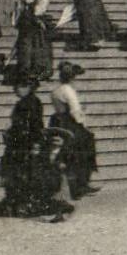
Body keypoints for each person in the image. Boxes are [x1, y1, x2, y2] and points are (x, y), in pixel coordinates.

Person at [48, 61, 97, 199]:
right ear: (73, 77)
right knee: (87, 145)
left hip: (58, 122)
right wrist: (83, 124)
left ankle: (75, 184)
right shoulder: (68, 90)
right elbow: (75, 110)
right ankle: (82, 183)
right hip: (70, 123)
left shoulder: (55, 91)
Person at [0, 78, 45, 217]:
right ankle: (20, 204)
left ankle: (19, 204)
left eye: (18, 86)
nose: (15, 89)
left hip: (22, 143)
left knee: (21, 174)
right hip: (20, 143)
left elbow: (34, 125)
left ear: (28, 87)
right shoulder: (31, 102)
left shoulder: (28, 103)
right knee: (21, 174)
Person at [13, 0, 53, 81]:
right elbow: (41, 8)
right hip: (37, 20)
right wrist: (38, 19)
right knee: (40, 44)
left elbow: (19, 8)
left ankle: (25, 71)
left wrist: (16, 21)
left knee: (25, 44)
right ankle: (39, 70)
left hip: (25, 20)